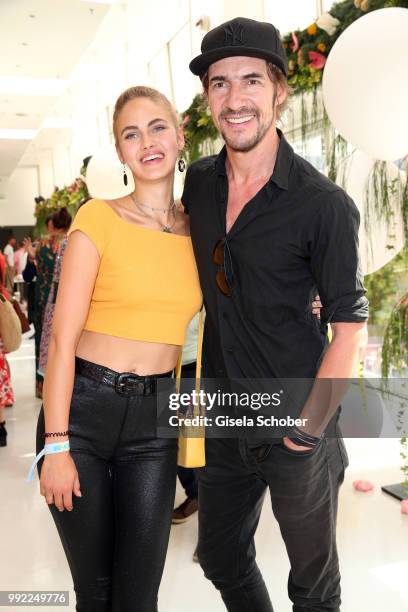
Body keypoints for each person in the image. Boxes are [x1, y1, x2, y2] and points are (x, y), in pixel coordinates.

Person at [182, 17, 369, 612]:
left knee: (312, 585)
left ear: (280, 91)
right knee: (218, 555)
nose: (234, 100)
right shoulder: (200, 184)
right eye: (219, 83)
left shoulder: (324, 206)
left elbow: (350, 325)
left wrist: (310, 428)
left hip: (298, 425)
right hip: (224, 417)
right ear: (208, 95)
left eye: (250, 81)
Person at [29, 85, 202, 612]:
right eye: (131, 134)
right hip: (81, 413)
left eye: (156, 127)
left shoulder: (201, 231)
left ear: (178, 135)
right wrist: (56, 445)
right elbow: (61, 340)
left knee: (139, 593)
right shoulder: (97, 218)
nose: (146, 141)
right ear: (121, 151)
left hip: (155, 422)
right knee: (96, 591)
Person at [38, 207, 72, 378]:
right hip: (64, 298)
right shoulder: (69, 242)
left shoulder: (57, 244)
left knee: (57, 347)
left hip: (54, 298)